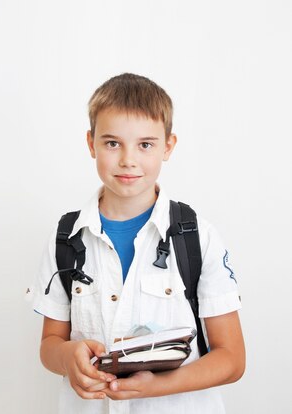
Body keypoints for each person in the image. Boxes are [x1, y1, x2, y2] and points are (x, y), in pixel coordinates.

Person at [26, 73, 245, 413]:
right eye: (112, 143)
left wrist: (157, 386)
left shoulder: (197, 236)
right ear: (91, 143)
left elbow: (232, 359)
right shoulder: (66, 237)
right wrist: (68, 357)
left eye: (145, 144)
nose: (128, 159)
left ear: (168, 146)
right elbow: (49, 345)